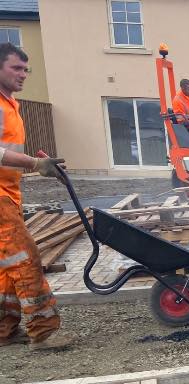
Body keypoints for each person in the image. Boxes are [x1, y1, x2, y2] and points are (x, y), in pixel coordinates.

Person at [0, 43, 73, 350]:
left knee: (6, 266)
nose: (24, 74)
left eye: (26, 69)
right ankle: (44, 332)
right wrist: (34, 164)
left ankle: (3, 329)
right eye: (16, 68)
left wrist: (36, 162)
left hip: (8, 195)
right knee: (25, 258)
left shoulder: (10, 105)